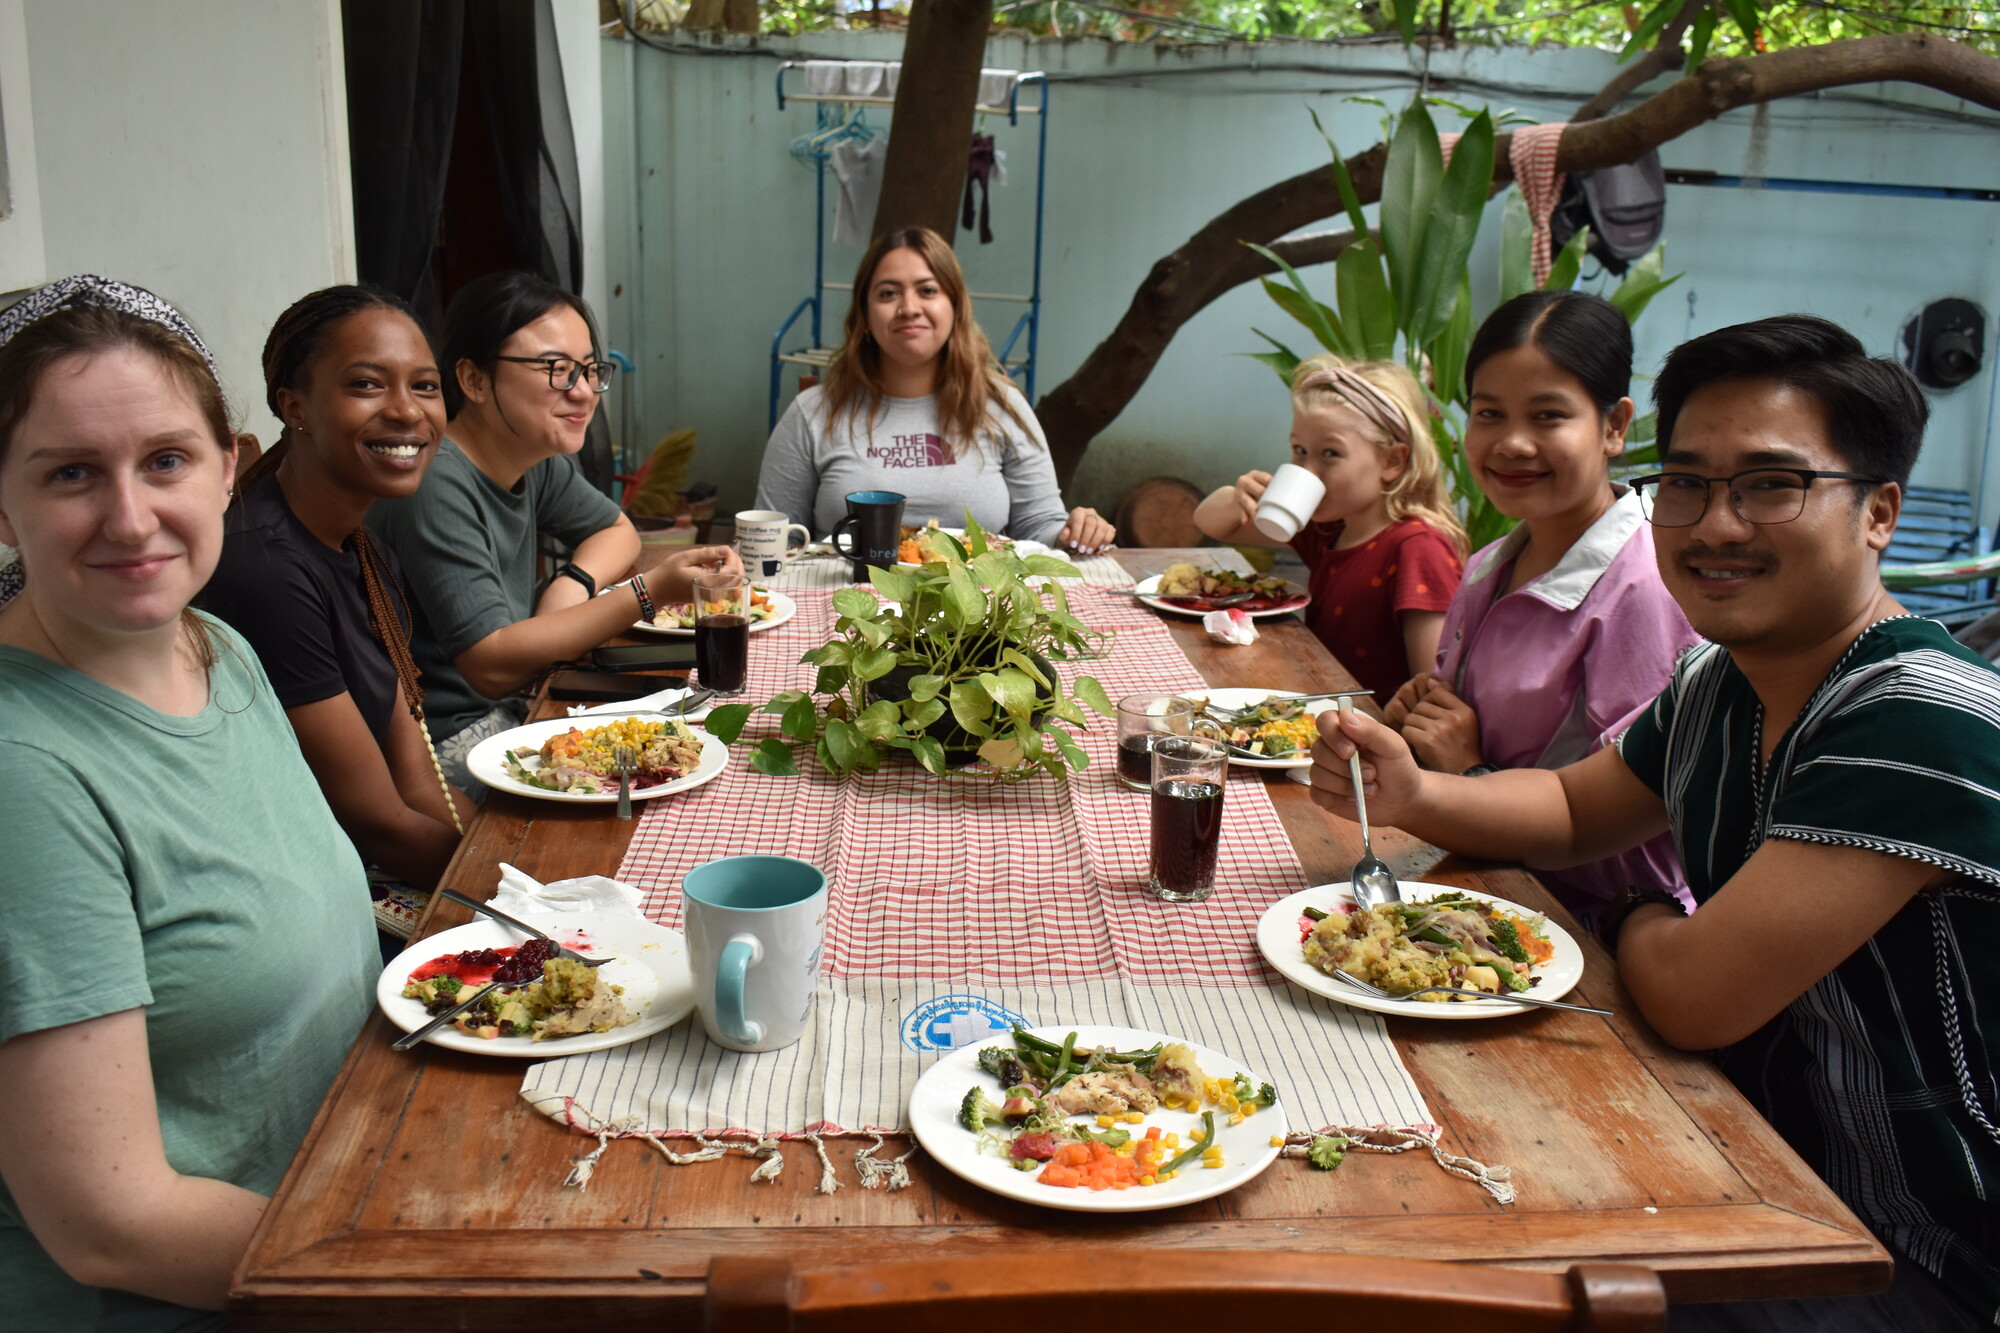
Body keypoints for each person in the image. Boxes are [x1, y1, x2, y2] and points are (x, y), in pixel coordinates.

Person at [1312, 315, 2000, 1329]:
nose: (1715, 524)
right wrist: (1413, 794)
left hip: (1917, 1246)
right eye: (1684, 482)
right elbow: (1567, 802)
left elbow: (1688, 996)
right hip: (1751, 1156)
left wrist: (1631, 903)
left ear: (1877, 513)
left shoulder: (1914, 716)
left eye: (1770, 484)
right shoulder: (1717, 679)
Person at [0, 277, 377, 1328]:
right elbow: (111, 1224)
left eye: (165, 459)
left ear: (229, 469)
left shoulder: (221, 651)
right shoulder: (24, 776)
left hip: (351, 1199)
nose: (131, 517)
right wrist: (447, 1279)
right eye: (71, 472)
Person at [1383, 292, 1699, 926]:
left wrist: (1470, 771)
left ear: (1614, 426)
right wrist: (1418, 720)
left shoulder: (1646, 588)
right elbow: (1457, 729)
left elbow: (1644, 841)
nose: (1512, 443)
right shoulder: (1490, 564)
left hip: (1590, 926)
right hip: (1480, 877)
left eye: (1549, 415)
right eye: (1489, 413)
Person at [367, 270, 737, 794]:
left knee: (699, 758)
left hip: (522, 702)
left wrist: (573, 583)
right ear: (474, 380)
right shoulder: (437, 482)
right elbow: (490, 665)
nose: (584, 392)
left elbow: (617, 530)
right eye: (557, 370)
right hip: (455, 740)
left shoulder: (529, 457)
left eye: (589, 371)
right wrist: (647, 592)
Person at [200, 285, 472, 930]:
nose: (408, 412)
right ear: (295, 406)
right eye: (367, 385)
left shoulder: (363, 546)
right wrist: (528, 883)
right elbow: (377, 821)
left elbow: (417, 780)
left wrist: (511, 853)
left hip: (376, 863)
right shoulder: (261, 565)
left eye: (425, 386)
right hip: (305, 905)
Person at [756, 226, 1114, 552]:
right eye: (887, 293)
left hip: (976, 614)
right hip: (846, 609)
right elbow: (773, 537)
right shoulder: (812, 412)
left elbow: (1040, 526)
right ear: (864, 316)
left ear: (956, 307)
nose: (909, 308)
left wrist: (1076, 532)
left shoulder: (1003, 406)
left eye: (928, 290)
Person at [1193, 354, 1466, 705]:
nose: (1309, 469)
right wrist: (1237, 498)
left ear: (1392, 461)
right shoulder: (1329, 528)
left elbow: (1431, 686)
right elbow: (1211, 523)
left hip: (1375, 736)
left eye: (1331, 453)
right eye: (1300, 450)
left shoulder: (1417, 547)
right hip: (1323, 704)